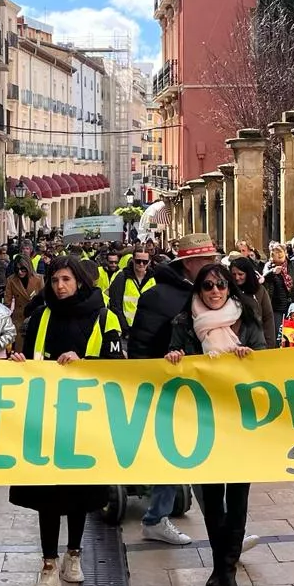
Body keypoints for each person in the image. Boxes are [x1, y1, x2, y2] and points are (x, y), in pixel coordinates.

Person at [9, 257, 118, 586]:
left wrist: (85, 363)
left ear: (81, 281)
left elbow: (118, 366)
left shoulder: (104, 316)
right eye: (55, 279)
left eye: (66, 279)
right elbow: (32, 359)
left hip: (85, 418)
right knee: (47, 494)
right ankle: (48, 564)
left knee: (79, 492)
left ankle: (74, 555)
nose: (59, 286)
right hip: (46, 418)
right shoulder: (42, 315)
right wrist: (20, 363)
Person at [167, 262, 269, 586]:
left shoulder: (247, 319)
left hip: (240, 422)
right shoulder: (184, 323)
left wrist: (251, 357)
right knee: (212, 500)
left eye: (221, 286)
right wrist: (175, 357)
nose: (215, 292)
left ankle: (226, 571)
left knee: (238, 498)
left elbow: (267, 363)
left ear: (230, 288)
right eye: (208, 286)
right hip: (204, 424)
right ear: (198, 289)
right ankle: (221, 567)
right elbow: (172, 366)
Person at [127, 232, 226, 546]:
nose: (214, 267)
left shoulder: (212, 293)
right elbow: (141, 347)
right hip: (171, 390)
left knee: (204, 458)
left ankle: (219, 528)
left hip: (210, 389)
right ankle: (219, 531)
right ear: (191, 263)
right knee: (185, 457)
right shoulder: (158, 297)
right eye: (208, 261)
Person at [105, 248, 155, 329]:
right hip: (128, 329)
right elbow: (115, 305)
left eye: (145, 261)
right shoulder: (122, 277)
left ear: (149, 262)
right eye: (138, 261)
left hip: (147, 328)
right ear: (133, 260)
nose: (141, 264)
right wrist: (124, 327)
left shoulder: (154, 278)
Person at [229, 256, 275, 340]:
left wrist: (269, 342)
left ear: (248, 273)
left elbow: (268, 317)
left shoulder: (259, 290)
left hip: (257, 340)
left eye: (240, 274)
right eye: (234, 274)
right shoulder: (227, 291)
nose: (237, 278)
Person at [262, 242, 294, 338]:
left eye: (281, 251)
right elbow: (263, 279)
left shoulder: (291, 265)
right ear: (272, 255)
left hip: (290, 305)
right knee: (278, 333)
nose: (280, 254)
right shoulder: (269, 266)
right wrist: (273, 272)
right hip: (276, 306)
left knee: (291, 334)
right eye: (277, 252)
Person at [5, 259, 44, 333]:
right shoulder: (11, 280)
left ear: (28, 267)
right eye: (17, 269)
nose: (20, 272)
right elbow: (7, 300)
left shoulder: (39, 279)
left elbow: (43, 298)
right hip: (19, 317)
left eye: (23, 269)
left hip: (35, 315)